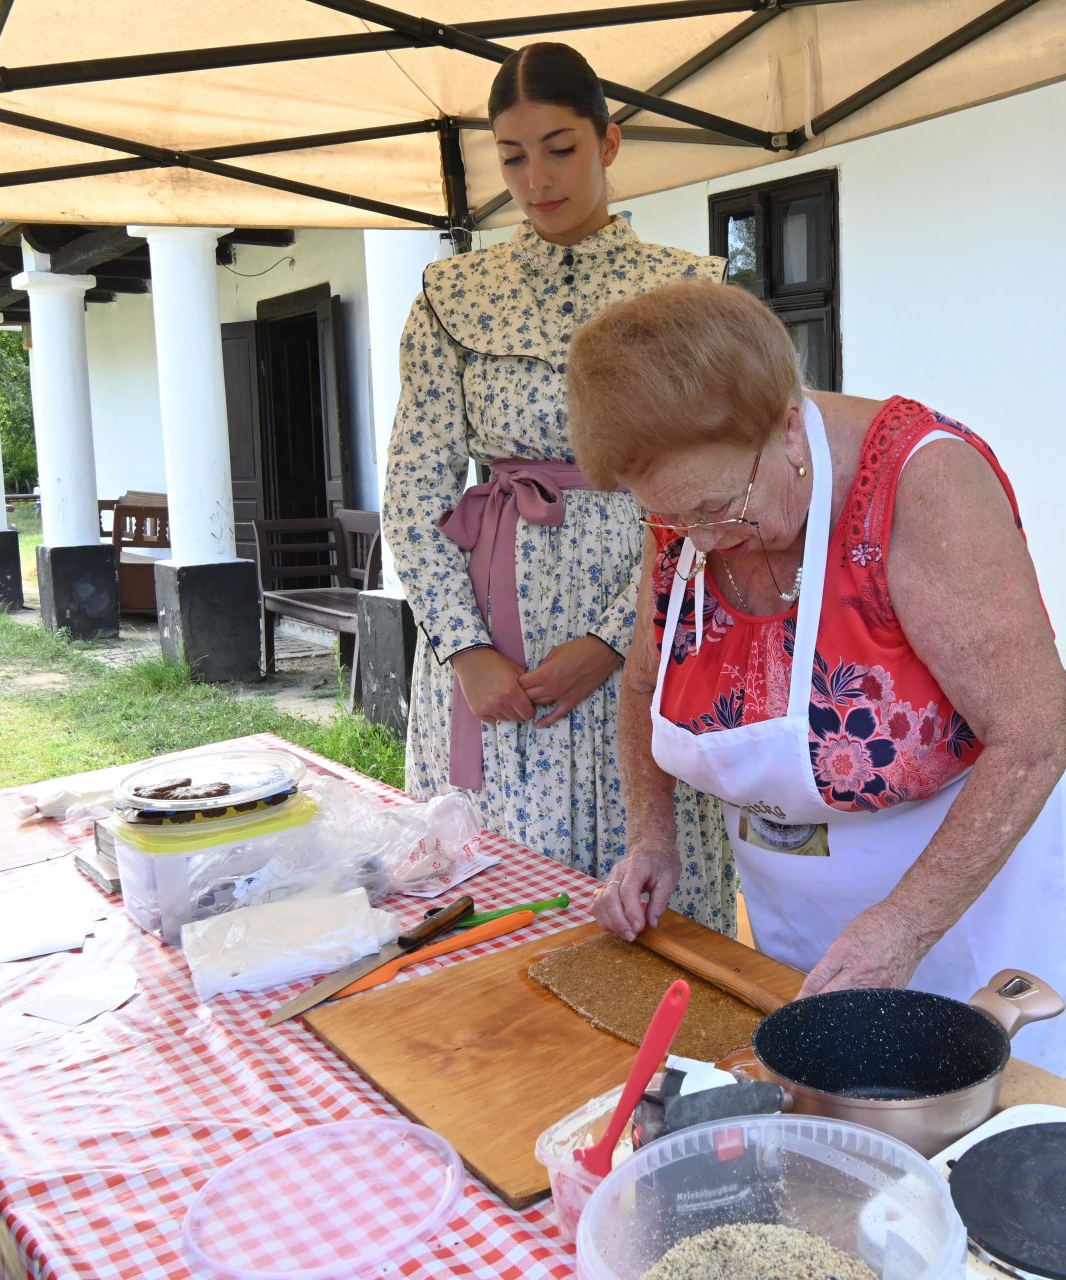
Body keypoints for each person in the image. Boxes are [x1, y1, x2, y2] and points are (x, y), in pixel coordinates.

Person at [567, 280, 1066, 1077]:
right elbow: (647, 684)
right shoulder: (692, 509)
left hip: (960, 895)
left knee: (977, 1107)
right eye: (675, 519)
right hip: (798, 898)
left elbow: (1035, 735)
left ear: (789, 425)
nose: (703, 541)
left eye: (721, 508)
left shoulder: (924, 484)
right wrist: (653, 837)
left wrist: (906, 925)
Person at [381, 43, 738, 932]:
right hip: (490, 658)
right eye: (511, 154)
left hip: (646, 632)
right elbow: (413, 490)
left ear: (609, 144)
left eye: (560, 146)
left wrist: (618, 639)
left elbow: (724, 491)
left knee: (645, 901)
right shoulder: (450, 295)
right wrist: (465, 650)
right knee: (486, 918)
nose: (535, 178)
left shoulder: (688, 292)